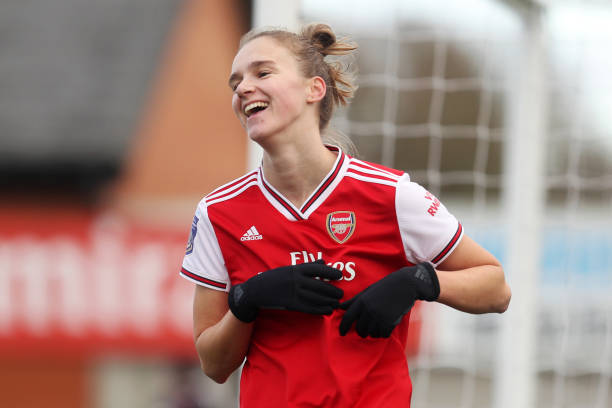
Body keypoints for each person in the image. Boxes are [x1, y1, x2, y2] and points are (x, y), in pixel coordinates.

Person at [179, 23, 511, 407]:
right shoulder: (218, 212)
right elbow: (213, 364)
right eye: (235, 81)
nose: (242, 88)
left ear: (314, 89)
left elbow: (496, 288)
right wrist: (246, 301)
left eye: (262, 72)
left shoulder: (391, 195)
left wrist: (420, 282)